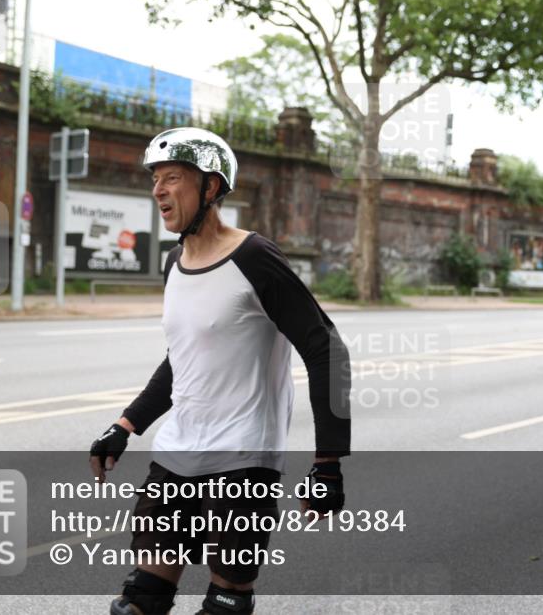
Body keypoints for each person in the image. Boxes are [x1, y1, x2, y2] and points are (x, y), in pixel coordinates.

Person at [89, 127, 351, 615]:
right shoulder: (174, 262)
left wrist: (328, 463)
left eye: (172, 178)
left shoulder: (255, 258)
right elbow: (183, 359)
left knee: (225, 605)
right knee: (138, 602)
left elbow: (326, 350)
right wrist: (126, 425)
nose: (158, 190)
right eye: (155, 180)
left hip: (242, 463)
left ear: (210, 187)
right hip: (176, 457)